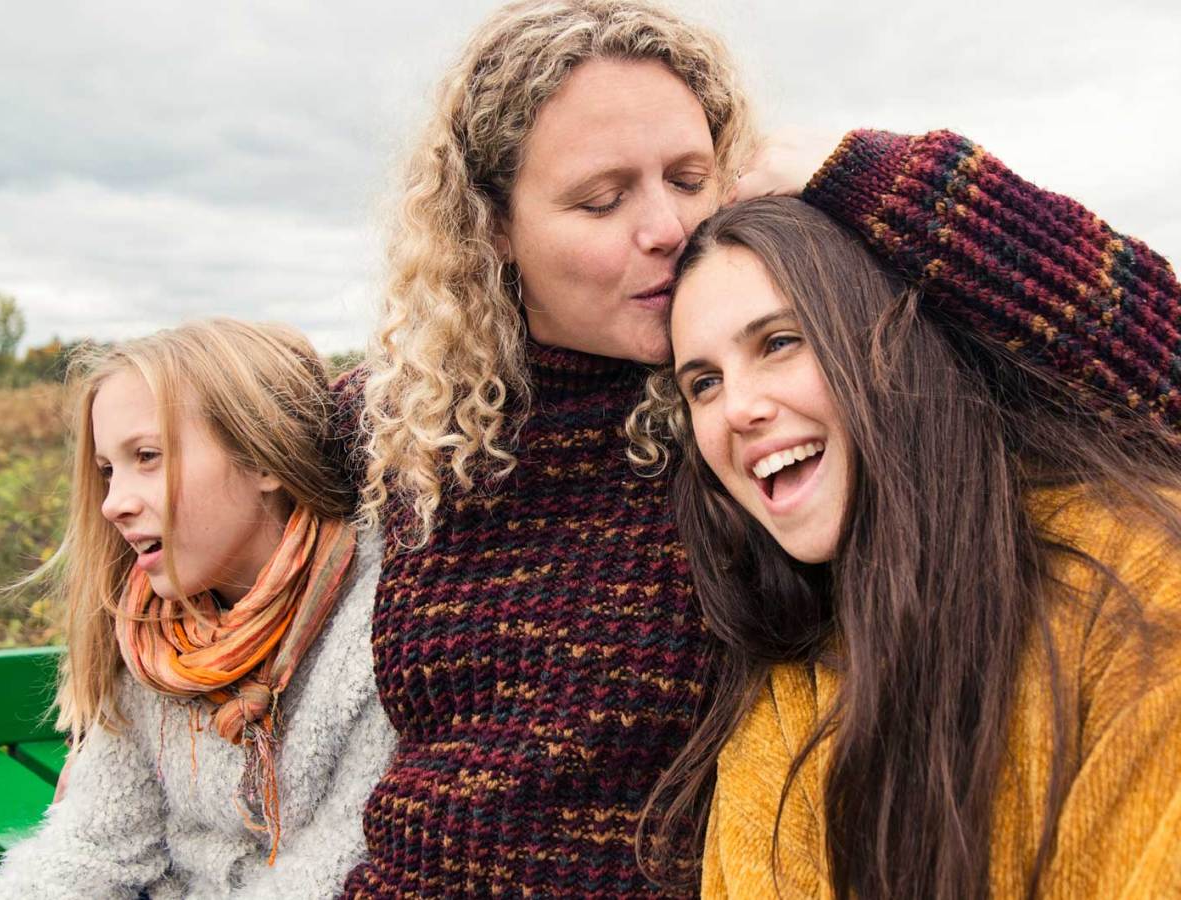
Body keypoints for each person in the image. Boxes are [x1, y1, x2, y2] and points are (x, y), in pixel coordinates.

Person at [332, 1, 1181, 896]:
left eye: (690, 177)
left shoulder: (793, 403)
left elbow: (1159, 360)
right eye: (603, 199)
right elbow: (230, 444)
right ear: (492, 228)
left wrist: (865, 174)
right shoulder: (419, 420)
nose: (664, 226)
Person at [637, 194, 1181, 898]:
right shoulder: (787, 694)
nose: (739, 408)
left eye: (778, 342)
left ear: (890, 339)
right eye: (704, 383)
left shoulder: (1134, 576)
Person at [0, 320, 396, 900]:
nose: (113, 504)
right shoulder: (151, 634)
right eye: (107, 470)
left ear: (262, 459)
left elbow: (337, 869)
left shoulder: (385, 628)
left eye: (146, 456)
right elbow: (97, 844)